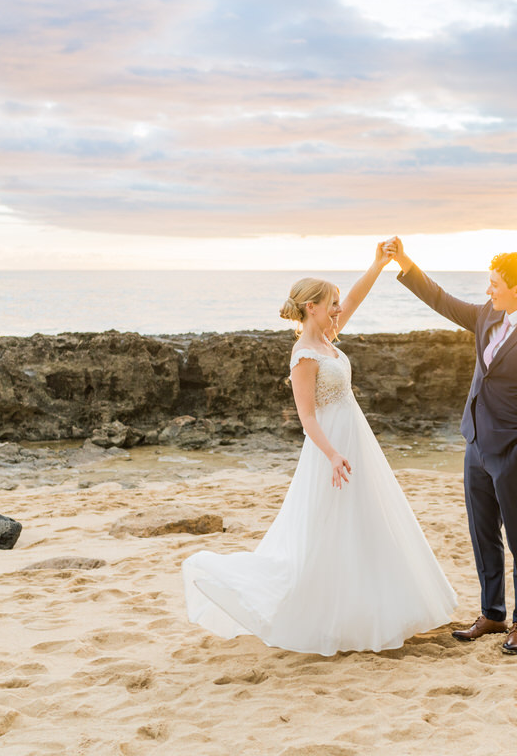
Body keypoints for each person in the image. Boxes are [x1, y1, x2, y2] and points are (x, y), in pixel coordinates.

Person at [181, 243, 456, 656]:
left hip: (355, 442)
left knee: (366, 523)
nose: (337, 310)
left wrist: (380, 265)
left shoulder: (328, 339)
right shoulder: (304, 355)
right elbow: (307, 418)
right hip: (331, 449)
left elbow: (355, 299)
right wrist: (331, 454)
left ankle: (374, 607)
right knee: (327, 531)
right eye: (330, 305)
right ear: (311, 308)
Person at [384, 238, 517, 655]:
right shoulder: (488, 315)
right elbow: (441, 300)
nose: (488, 291)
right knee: (482, 534)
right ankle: (492, 612)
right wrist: (404, 262)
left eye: (494, 284)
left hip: (512, 455)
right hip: (475, 446)